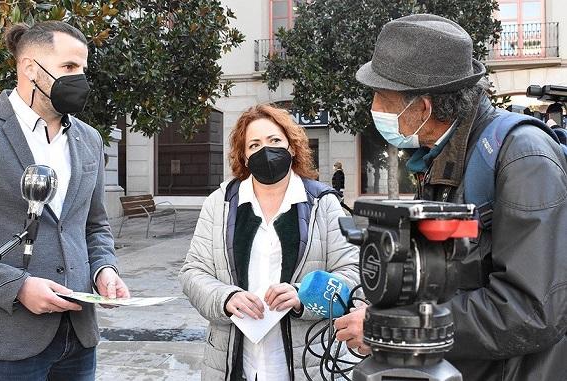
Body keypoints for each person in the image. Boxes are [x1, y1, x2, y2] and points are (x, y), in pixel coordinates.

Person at [334, 14, 567, 381]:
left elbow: (531, 311)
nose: (374, 107)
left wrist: (394, 326)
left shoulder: (523, 157)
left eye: (382, 96)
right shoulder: (440, 156)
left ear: (422, 108)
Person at [0, 21, 129, 380]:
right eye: (68, 67)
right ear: (30, 68)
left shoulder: (90, 139)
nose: (80, 78)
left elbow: (94, 226)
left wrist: (103, 269)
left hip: (78, 336)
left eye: (83, 69)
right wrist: (17, 287)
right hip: (7, 341)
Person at [180, 104, 360, 380]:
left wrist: (303, 296)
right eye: (254, 144)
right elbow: (193, 272)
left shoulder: (325, 204)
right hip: (232, 363)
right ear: (243, 155)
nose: (266, 150)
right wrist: (226, 298)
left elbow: (353, 274)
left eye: (275, 140)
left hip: (308, 363)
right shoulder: (220, 203)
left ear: (291, 147)